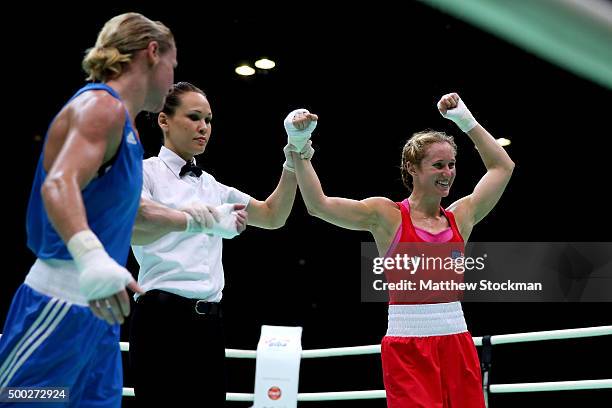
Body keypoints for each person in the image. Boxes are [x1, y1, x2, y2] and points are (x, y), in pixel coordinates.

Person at [289, 93, 514, 407]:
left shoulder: (461, 216)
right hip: (407, 346)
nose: (448, 172)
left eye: (451, 164)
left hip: (457, 342)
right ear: (412, 168)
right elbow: (319, 206)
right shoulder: (387, 216)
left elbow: (503, 167)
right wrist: (299, 148)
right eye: (438, 165)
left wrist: (465, 120)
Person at [0, 13, 176, 407]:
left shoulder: (128, 131)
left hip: (101, 320)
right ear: (152, 53)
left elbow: (136, 221)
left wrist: (203, 220)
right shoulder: (101, 107)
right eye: (172, 65)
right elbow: (58, 184)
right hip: (57, 307)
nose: (172, 78)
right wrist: (92, 258)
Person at [128, 82, 315, 406]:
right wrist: (204, 218)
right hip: (161, 320)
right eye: (194, 117)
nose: (203, 127)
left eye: (209, 120)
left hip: (209, 323)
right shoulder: (145, 173)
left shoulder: (212, 186)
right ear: (164, 121)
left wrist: (293, 152)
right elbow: (136, 228)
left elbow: (273, 215)